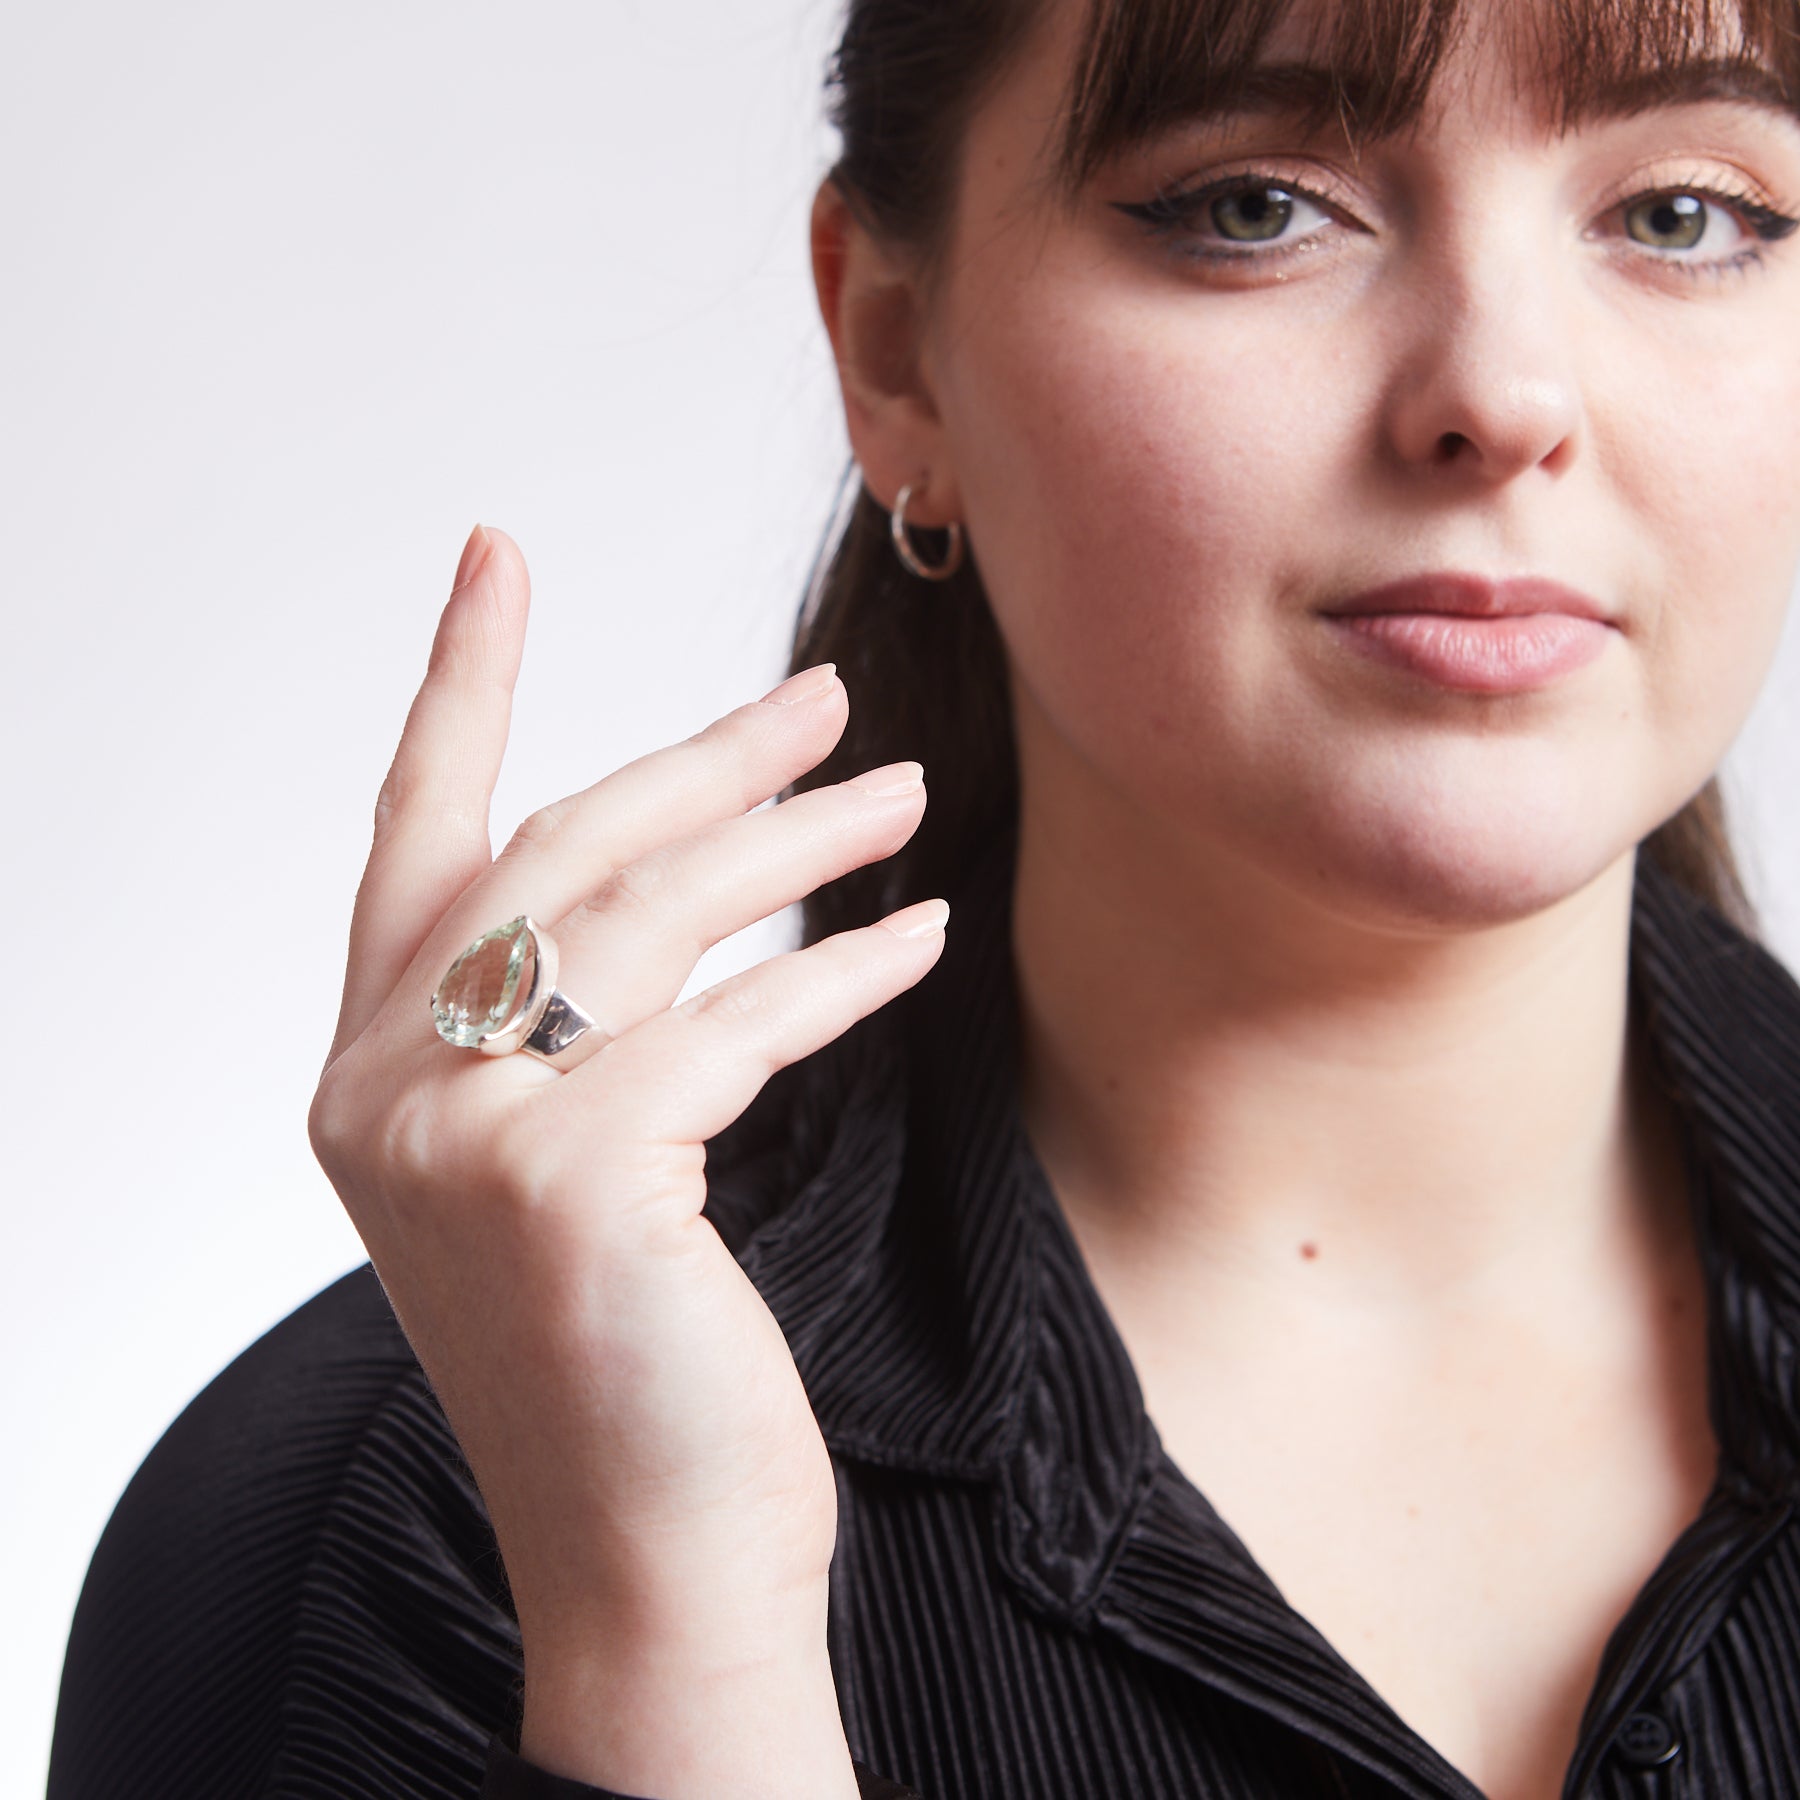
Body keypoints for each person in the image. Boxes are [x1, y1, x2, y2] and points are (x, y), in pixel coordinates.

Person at [47, 0, 1800, 1795]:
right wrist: (678, 1658)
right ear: (896, 351)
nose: (1504, 399)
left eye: (1686, 213)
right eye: (1258, 205)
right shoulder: (421, 1526)